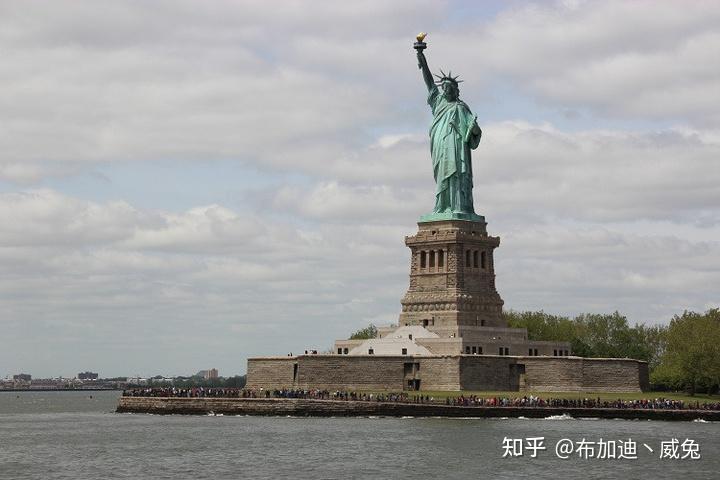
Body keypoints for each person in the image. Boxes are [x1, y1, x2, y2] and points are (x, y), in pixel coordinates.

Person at [416, 48, 482, 217]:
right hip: (440, 144)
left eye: (449, 88)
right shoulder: (437, 102)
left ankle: (460, 207)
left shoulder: (461, 107)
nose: (445, 90)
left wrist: (473, 128)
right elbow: (429, 82)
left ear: (455, 90)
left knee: (458, 174)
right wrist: (422, 59)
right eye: (444, 87)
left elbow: (474, 132)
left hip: (458, 146)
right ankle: (442, 206)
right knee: (443, 175)